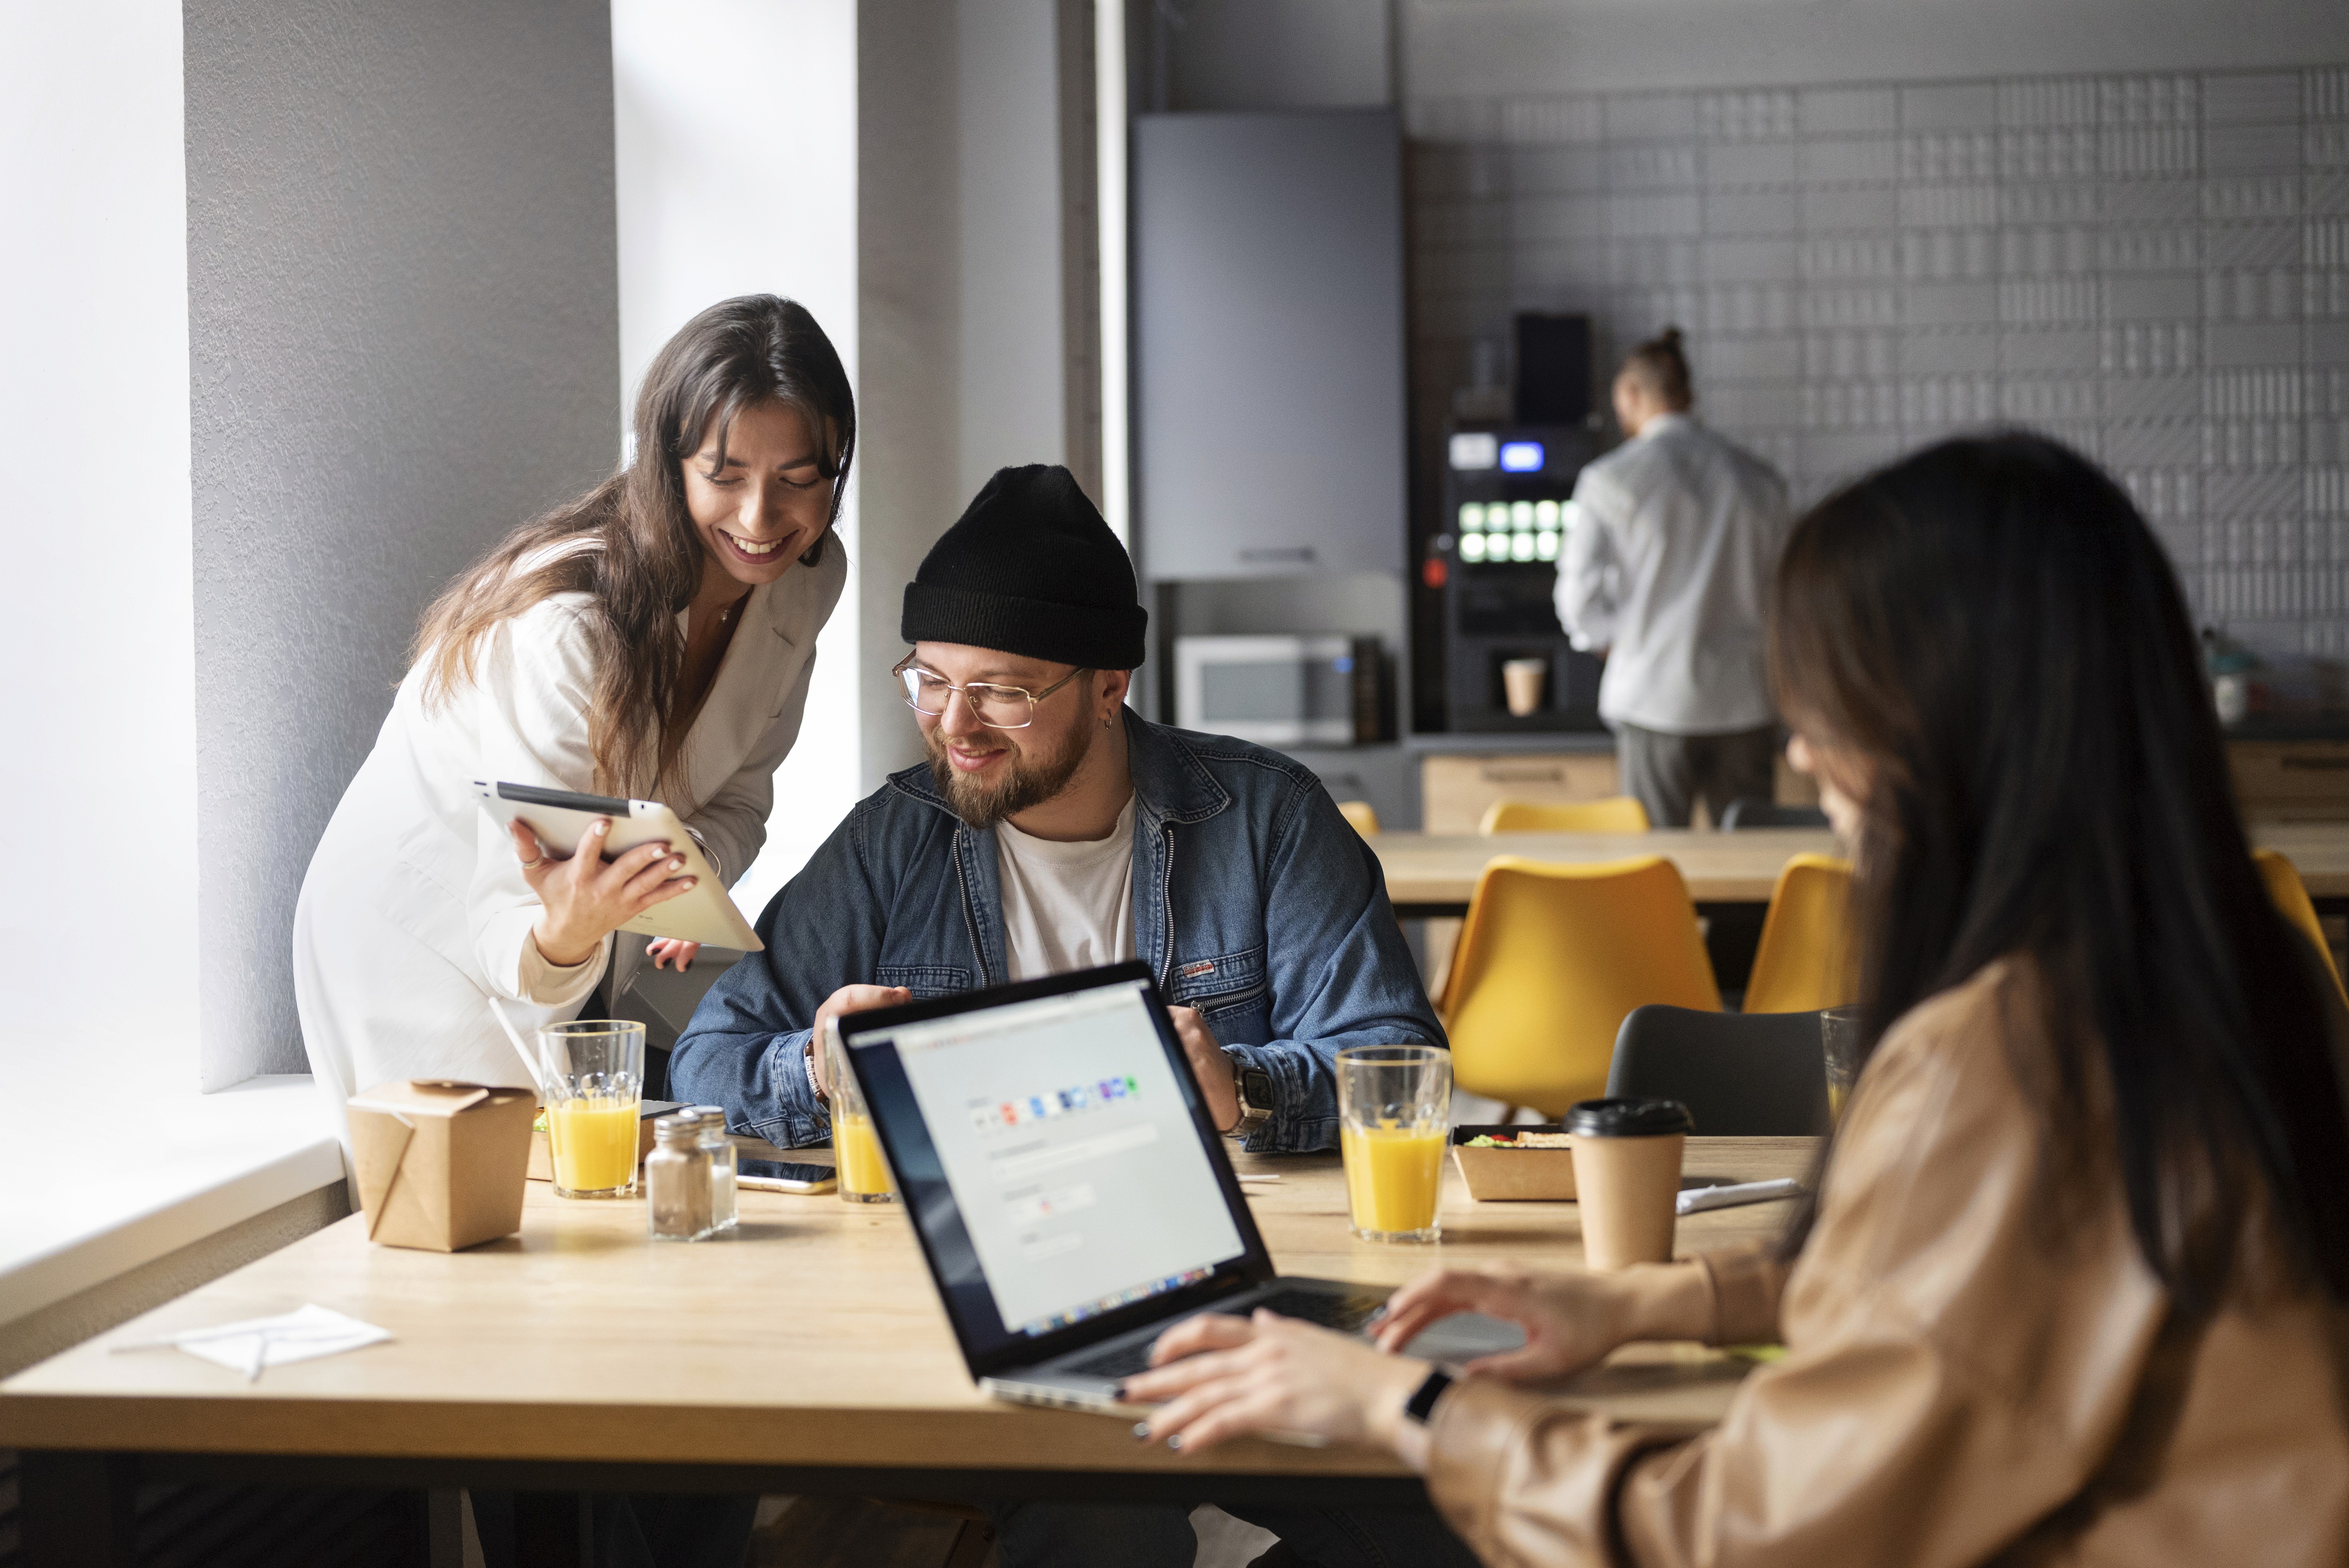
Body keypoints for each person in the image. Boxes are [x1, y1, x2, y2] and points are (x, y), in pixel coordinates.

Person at [1124, 433, 2349, 1566]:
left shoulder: (2003, 1055)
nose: (1802, 752)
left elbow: (1734, 1534)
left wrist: (1403, 1403)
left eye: (1828, 699)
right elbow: (1984, 1294)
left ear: (1954, 715)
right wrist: (1644, 1302)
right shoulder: (2234, 973)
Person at [670, 463, 1461, 1568]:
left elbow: (1397, 1060)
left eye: (1005, 691)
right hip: (992, 1306)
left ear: (1107, 684)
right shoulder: (893, 841)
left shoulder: (1268, 817)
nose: (957, 727)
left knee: (1449, 1499)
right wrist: (816, 1067)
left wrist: (1249, 1089)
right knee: (1101, 1506)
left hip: (1235, 1297)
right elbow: (706, 1059)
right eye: (931, 681)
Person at [294, 293, 855, 1137]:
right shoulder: (568, 627)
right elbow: (509, 912)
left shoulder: (809, 576)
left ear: (836, 465)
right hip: (431, 937)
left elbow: (742, 799)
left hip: (591, 935)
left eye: (797, 479)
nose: (760, 518)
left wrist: (677, 875)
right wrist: (579, 920)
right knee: (483, 1223)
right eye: (725, 475)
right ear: (668, 465)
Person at [1556, 327, 1792, 827]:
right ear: (1687, 394)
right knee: (1748, 869)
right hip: (1744, 704)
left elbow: (1577, 597)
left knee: (1654, 872)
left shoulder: (1609, 480)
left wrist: (1607, 639)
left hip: (1652, 699)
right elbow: (1787, 594)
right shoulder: (1760, 480)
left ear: (1631, 394)